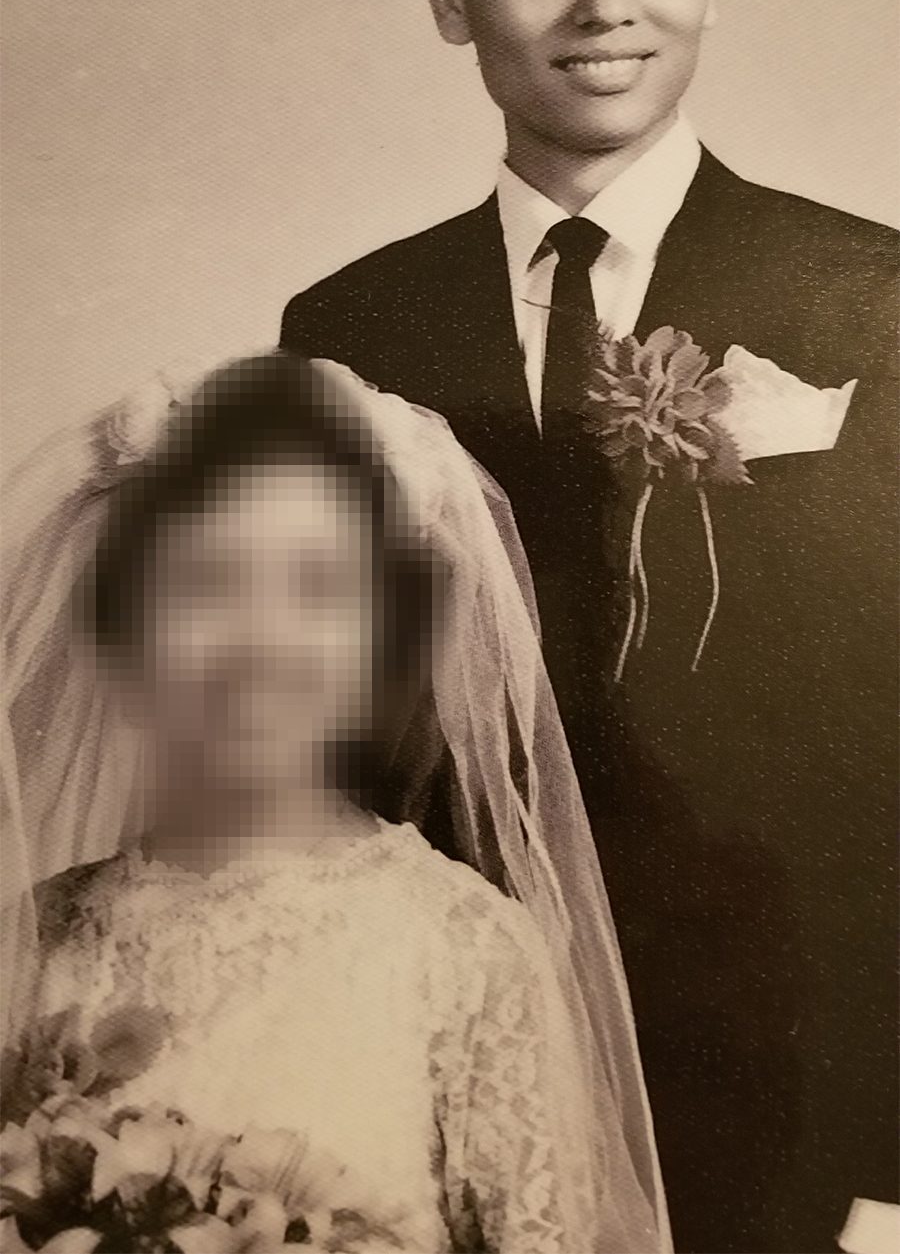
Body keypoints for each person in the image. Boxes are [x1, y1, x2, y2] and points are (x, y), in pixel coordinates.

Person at [279, 0, 899, 1254]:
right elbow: (334, 733)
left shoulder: (869, 297)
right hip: (448, 1059)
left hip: (790, 1076)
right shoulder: (350, 322)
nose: (608, 5)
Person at [0, 352, 671, 1254]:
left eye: (321, 588)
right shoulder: (34, 939)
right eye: (203, 582)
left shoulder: (461, 950)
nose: (261, 642)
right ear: (125, 628)